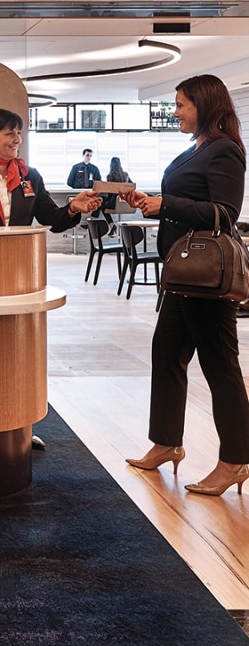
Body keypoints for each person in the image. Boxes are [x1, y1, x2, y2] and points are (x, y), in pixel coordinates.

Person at [124, 75, 249, 497]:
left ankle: (235, 460)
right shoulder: (194, 150)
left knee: (220, 365)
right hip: (182, 276)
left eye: (181, 105)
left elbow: (225, 212)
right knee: (167, 353)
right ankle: (166, 442)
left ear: (205, 105)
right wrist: (152, 203)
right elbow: (184, 204)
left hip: (207, 279)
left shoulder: (225, 150)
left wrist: (167, 204)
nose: (174, 111)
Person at [0, 108, 103, 450]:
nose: (17, 139)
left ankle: (18, 425)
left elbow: (53, 219)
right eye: (10, 133)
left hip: (20, 276)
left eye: (19, 132)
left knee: (18, 351)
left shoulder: (30, 177)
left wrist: (73, 206)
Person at [102, 156, 133, 237]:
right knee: (101, 200)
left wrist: (107, 202)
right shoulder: (125, 175)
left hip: (115, 204)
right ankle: (112, 226)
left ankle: (112, 225)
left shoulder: (110, 176)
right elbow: (132, 186)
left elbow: (110, 193)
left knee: (100, 202)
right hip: (125, 204)